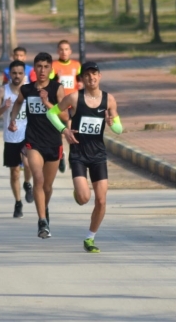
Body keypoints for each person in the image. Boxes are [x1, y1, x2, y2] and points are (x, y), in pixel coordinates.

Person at [46, 62, 122, 253]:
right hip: (79, 154)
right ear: (83, 79)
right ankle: (78, 193)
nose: (91, 78)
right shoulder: (75, 97)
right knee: (83, 198)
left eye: (94, 74)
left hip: (98, 154)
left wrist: (112, 123)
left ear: (100, 76)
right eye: (87, 75)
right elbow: (51, 113)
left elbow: (119, 129)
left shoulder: (109, 100)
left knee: (102, 200)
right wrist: (64, 130)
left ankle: (90, 237)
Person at [8, 52, 64, 239]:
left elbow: (65, 116)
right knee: (38, 180)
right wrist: (13, 119)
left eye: (46, 67)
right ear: (34, 68)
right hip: (33, 142)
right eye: (38, 66)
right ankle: (42, 221)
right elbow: (17, 104)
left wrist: (48, 102)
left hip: (54, 142)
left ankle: (44, 210)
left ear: (50, 69)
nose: (42, 70)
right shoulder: (27, 89)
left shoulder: (57, 89)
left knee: (47, 186)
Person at [0, 60, 34, 218]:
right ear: (10, 74)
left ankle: (28, 183)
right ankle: (18, 202)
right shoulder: (3, 91)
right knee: (15, 172)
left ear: (25, 74)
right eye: (14, 73)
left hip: (28, 134)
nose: (17, 76)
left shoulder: (31, 90)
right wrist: (4, 107)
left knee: (28, 163)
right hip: (11, 137)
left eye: (20, 73)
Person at [50, 39, 82, 174]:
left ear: (70, 51)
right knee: (61, 132)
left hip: (73, 103)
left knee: (71, 131)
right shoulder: (54, 65)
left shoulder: (76, 65)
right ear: (58, 51)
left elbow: (80, 80)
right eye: (61, 49)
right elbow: (50, 82)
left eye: (66, 49)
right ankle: (61, 155)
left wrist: (81, 85)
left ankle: (73, 157)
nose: (64, 52)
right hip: (61, 103)